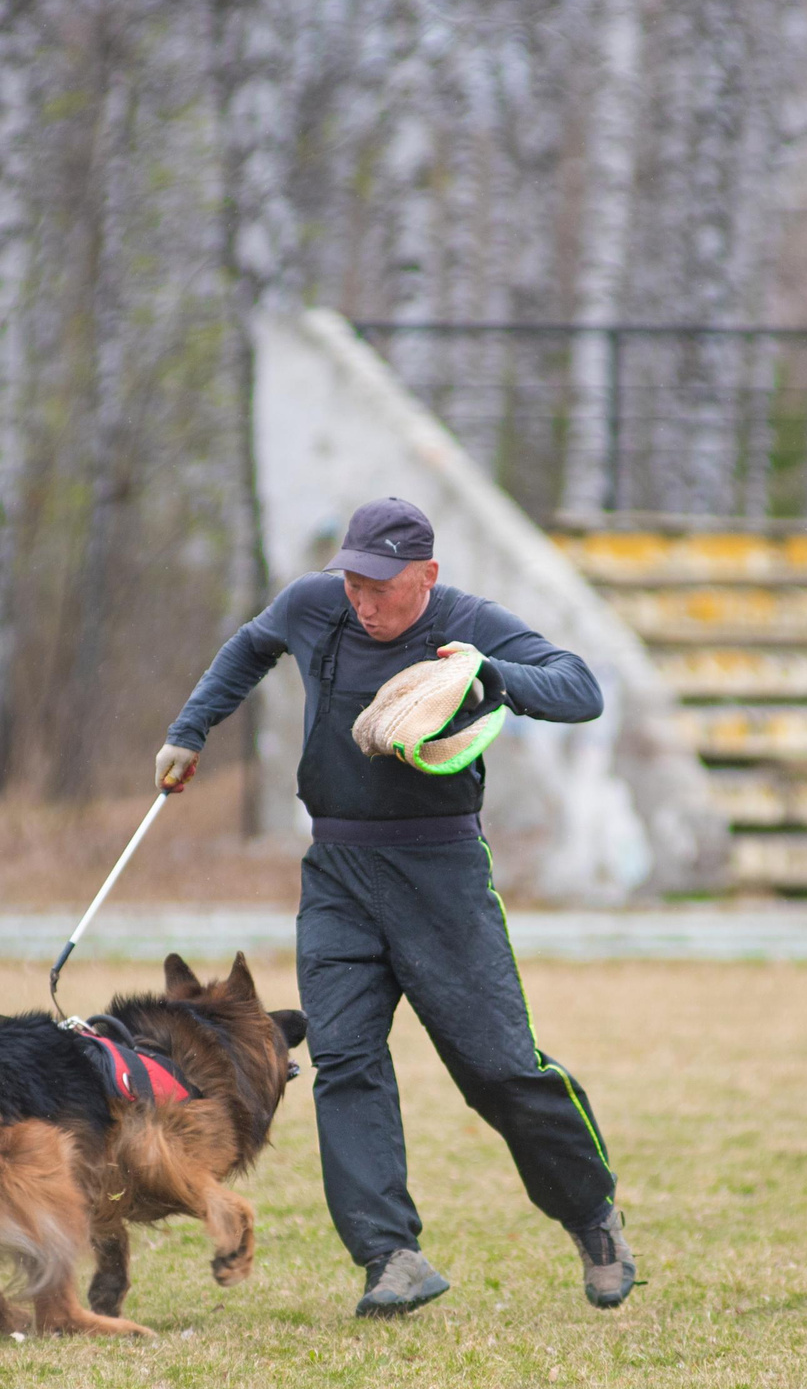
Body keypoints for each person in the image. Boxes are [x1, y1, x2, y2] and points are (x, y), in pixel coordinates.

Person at [155, 496, 634, 1317]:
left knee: (499, 1070)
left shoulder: (468, 621)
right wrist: (191, 729)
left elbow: (579, 687)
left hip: (440, 869)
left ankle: (592, 1214)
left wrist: (490, 673)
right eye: (355, 583)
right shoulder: (317, 605)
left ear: (427, 577)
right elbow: (251, 645)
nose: (364, 601)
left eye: (382, 586)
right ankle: (390, 1256)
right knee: (344, 1060)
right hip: (338, 869)